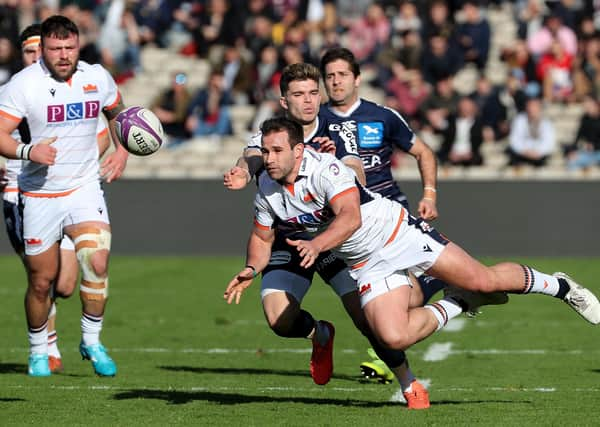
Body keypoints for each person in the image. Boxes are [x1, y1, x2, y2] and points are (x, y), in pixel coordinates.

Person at [225, 117, 600, 396]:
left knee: (484, 280)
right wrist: (249, 268)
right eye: (266, 151)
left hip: (398, 233)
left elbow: (350, 218)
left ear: (298, 150)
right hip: (366, 263)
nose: (269, 159)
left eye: (277, 151)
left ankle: (560, 285)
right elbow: (261, 237)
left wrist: (318, 244)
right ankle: (457, 303)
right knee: (392, 336)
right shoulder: (268, 191)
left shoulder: (326, 170)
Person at [223, 63, 432, 409]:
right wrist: (243, 174)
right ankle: (319, 334)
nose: (308, 101)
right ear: (284, 100)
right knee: (278, 319)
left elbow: (359, 181)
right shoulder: (272, 135)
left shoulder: (336, 131)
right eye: (298, 94)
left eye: (312, 93)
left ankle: (409, 382)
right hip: (289, 239)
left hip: (335, 241)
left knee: (368, 320)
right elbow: (251, 158)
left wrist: (337, 165)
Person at [0, 15, 129, 377]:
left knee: (97, 263)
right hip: (40, 194)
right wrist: (28, 152)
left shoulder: (96, 76)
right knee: (43, 282)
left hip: (85, 187)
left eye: (69, 48)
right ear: (43, 49)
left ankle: (91, 340)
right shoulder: (22, 85)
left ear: (78, 45)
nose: (63, 55)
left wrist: (122, 150)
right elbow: (1, 134)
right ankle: (39, 348)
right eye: (55, 49)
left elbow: (119, 113)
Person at [318, 46, 453, 383]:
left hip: (390, 216)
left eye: (342, 75)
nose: (336, 82)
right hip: (348, 225)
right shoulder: (315, 121)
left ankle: (385, 358)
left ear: (357, 79)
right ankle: (394, 347)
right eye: (330, 76)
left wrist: (430, 195)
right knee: (372, 305)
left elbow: (423, 153)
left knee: (401, 297)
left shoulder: (383, 116)